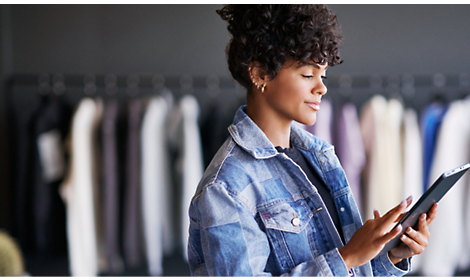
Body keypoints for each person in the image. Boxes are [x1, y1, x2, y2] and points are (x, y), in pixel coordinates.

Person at [187, 4, 438, 277]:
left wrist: (390, 256)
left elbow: (351, 272)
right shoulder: (226, 188)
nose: (322, 87)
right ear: (259, 73)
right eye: (308, 75)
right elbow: (345, 263)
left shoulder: (320, 156)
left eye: (323, 75)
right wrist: (348, 256)